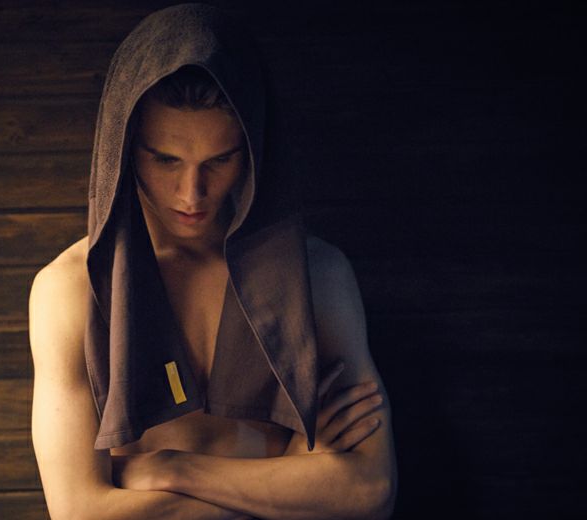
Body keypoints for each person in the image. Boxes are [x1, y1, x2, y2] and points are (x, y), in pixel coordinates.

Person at [29, 4, 396, 519]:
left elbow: (368, 493)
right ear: (126, 148)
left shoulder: (318, 276)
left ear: (253, 151)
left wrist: (172, 467)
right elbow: (79, 511)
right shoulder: (71, 290)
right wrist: (294, 482)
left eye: (220, 160)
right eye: (166, 160)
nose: (192, 194)